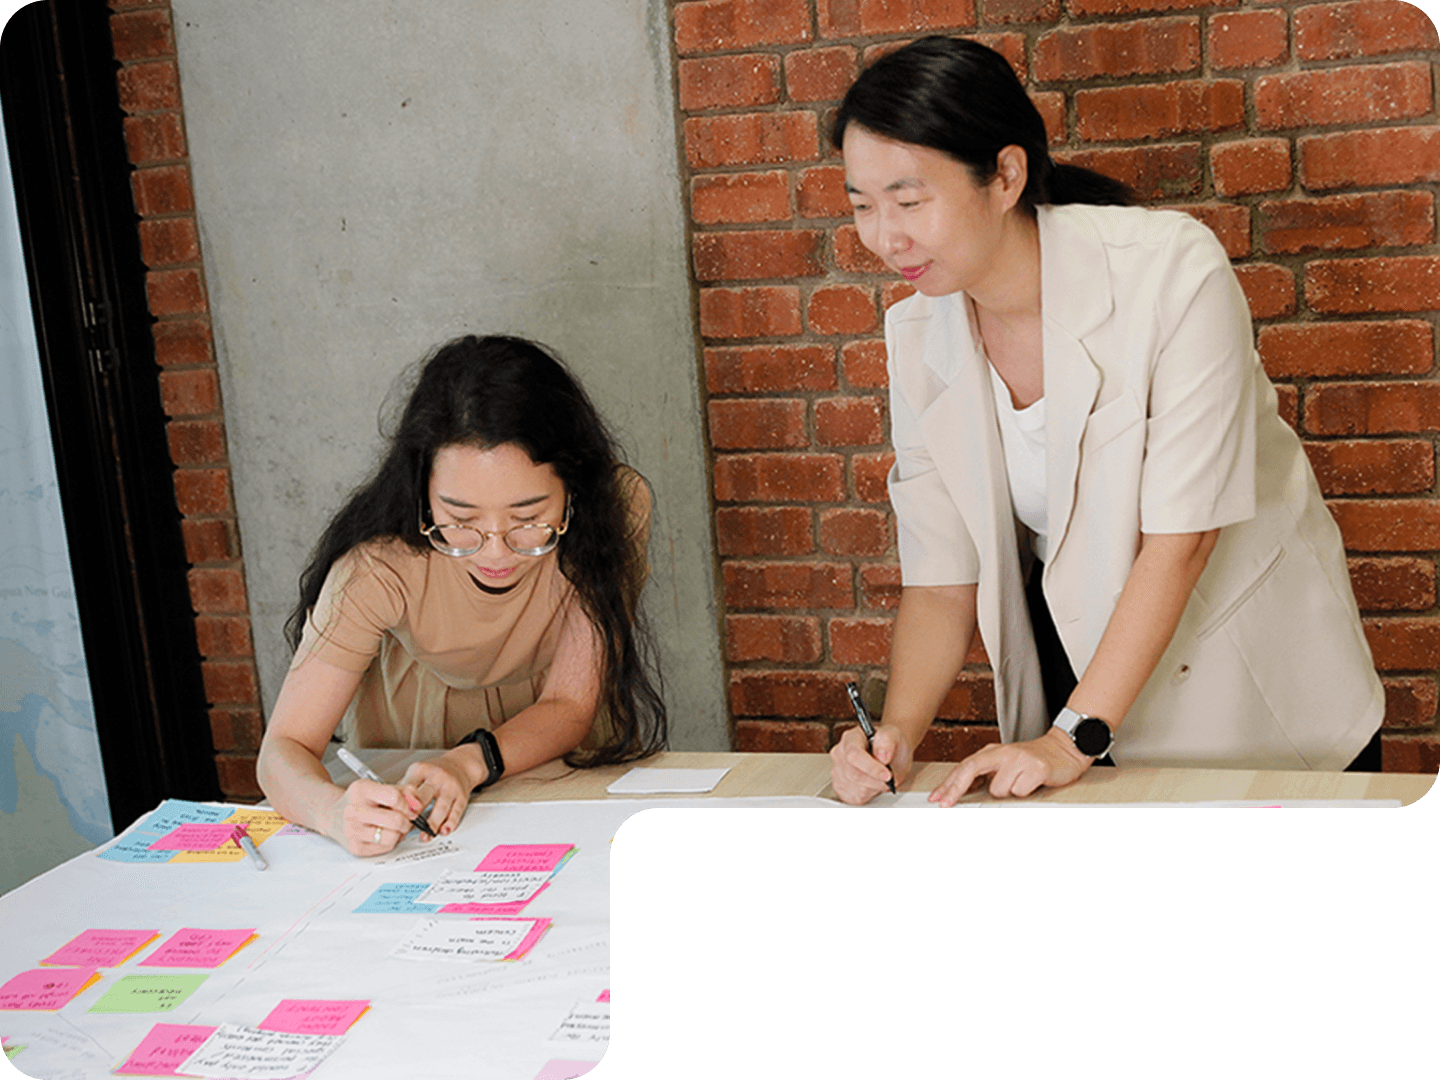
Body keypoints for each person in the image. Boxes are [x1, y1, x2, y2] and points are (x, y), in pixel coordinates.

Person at [827, 37, 1384, 806]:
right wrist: (895, 737)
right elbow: (942, 581)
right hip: (1084, 697)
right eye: (862, 206)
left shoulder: (1172, 271)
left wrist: (1071, 736)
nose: (884, 237)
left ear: (1006, 176)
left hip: (1248, 698)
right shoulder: (918, 335)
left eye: (910, 201)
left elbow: (1182, 540)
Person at [257, 335, 666, 853]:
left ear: (573, 488)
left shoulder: (614, 509)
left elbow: (568, 703)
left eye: (528, 519)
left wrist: (469, 761)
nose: (495, 553)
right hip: (410, 750)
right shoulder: (377, 564)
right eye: (460, 520)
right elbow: (282, 750)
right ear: (422, 494)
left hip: (548, 749)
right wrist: (331, 811)